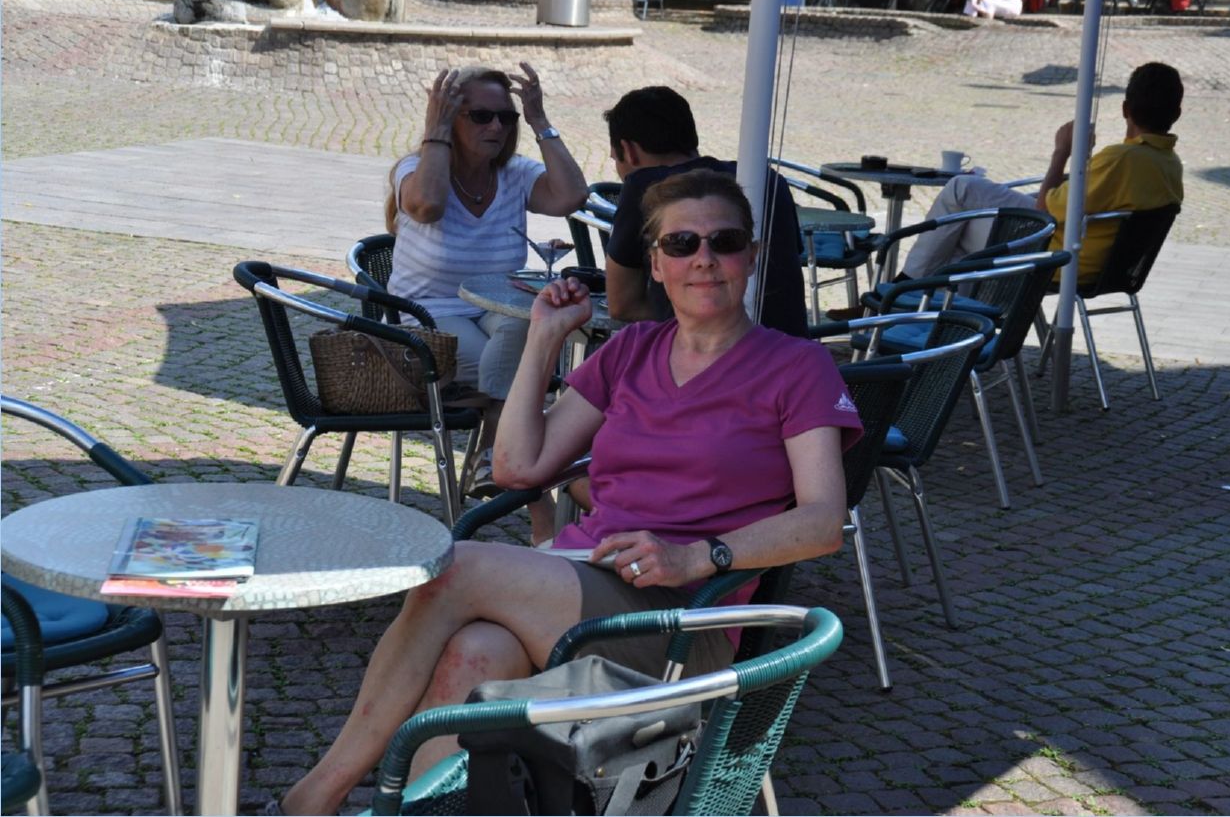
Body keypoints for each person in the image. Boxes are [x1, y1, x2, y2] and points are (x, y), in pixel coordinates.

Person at [276, 169, 863, 815]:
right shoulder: (631, 350)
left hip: (682, 622)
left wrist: (697, 556)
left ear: (750, 256)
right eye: (681, 244)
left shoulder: (796, 367)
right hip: (584, 578)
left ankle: (314, 798)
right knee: (474, 655)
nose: (703, 259)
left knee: (454, 568)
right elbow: (518, 468)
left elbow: (823, 521)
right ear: (656, 265)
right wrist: (543, 338)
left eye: (723, 242)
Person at [384, 62, 587, 501]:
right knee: (523, 374)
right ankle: (517, 483)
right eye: (480, 116)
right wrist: (435, 130)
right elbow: (428, 206)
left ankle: (495, 458)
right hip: (427, 316)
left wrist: (539, 120)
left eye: (505, 117)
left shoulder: (514, 174)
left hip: (495, 308)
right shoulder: (414, 170)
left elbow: (571, 196)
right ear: (450, 117)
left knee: (522, 326)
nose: (496, 126)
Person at [901, 62, 1184, 284]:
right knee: (959, 231)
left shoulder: (1121, 159)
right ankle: (931, 309)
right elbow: (1093, 197)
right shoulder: (1170, 164)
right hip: (1107, 265)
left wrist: (1062, 152)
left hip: (1059, 257)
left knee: (961, 190)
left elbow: (1044, 210)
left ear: (1125, 109)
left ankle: (904, 286)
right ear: (1177, 113)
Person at [601, 86, 809, 338]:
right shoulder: (768, 179)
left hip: (711, 348)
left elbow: (622, 304)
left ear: (629, 151)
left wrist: (683, 307)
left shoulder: (644, 187)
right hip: (789, 340)